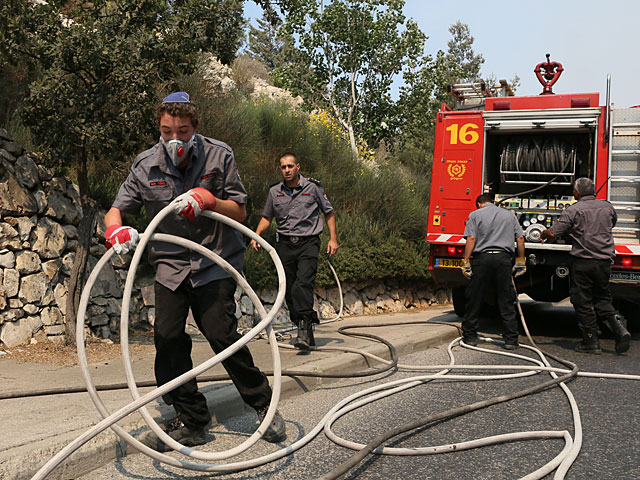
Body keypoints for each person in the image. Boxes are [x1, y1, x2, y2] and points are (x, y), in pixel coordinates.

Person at [103, 92, 286, 451]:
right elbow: (116, 210)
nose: (175, 139)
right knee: (168, 339)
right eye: (167, 131)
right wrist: (115, 230)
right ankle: (192, 417)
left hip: (213, 261)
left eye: (182, 132)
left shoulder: (220, 154)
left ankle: (263, 403)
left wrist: (208, 201)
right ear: (159, 128)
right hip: (170, 265)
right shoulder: (145, 165)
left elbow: (239, 211)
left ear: (195, 128)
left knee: (221, 334)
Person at [250, 152, 338, 350]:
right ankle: (303, 326)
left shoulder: (313, 187)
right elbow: (267, 217)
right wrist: (257, 235)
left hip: (309, 242)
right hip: (285, 244)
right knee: (289, 289)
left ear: (298, 167)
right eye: (283, 167)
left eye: (290, 166)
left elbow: (329, 213)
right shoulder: (274, 192)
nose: (287, 170)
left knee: (302, 283)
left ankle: (305, 327)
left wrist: (333, 239)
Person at [541, 177, 630, 354]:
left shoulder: (573, 210)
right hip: (604, 261)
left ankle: (591, 342)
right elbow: (612, 223)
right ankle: (619, 329)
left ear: (577, 192)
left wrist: (543, 232)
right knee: (602, 298)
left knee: (582, 301)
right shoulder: (607, 207)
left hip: (583, 262)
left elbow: (553, 233)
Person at [461, 194, 526, 350]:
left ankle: (470, 337)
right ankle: (511, 340)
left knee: (475, 298)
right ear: (493, 202)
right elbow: (521, 239)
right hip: (503, 260)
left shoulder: (475, 215)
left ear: (479, 204)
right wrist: (520, 260)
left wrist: (466, 261)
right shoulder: (509, 215)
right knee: (506, 299)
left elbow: (471, 238)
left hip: (482, 259)